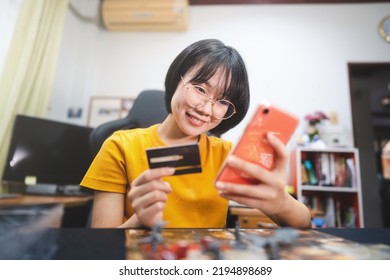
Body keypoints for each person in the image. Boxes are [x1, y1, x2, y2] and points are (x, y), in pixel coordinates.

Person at [80, 39, 312, 229]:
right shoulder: (120, 145)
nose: (206, 109)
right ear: (177, 79)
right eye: (200, 89)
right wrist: (140, 220)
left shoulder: (227, 157)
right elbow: (101, 246)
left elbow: (303, 224)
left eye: (223, 101)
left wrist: (280, 203)